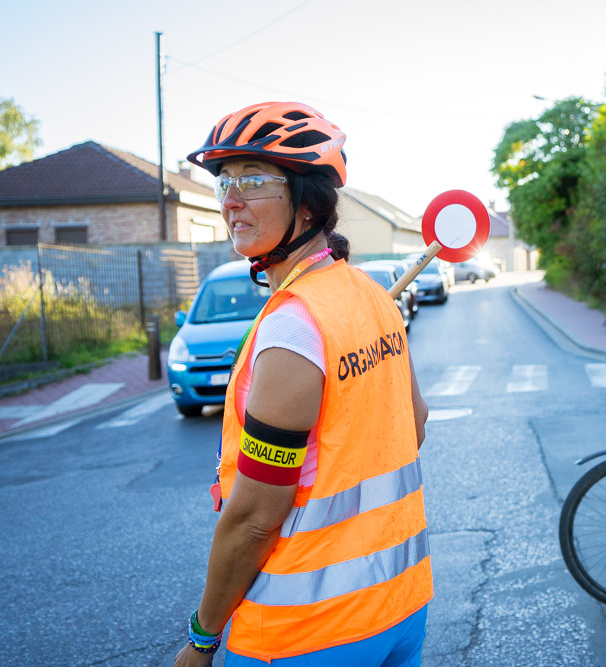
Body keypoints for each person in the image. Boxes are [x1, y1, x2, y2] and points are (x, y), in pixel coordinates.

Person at [174, 101, 433, 666]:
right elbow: (413, 424)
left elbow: (254, 518)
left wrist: (202, 636)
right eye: (225, 184)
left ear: (310, 201)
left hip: (303, 633)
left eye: (254, 180)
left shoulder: (293, 328)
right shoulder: (369, 294)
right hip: (400, 604)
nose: (231, 201)